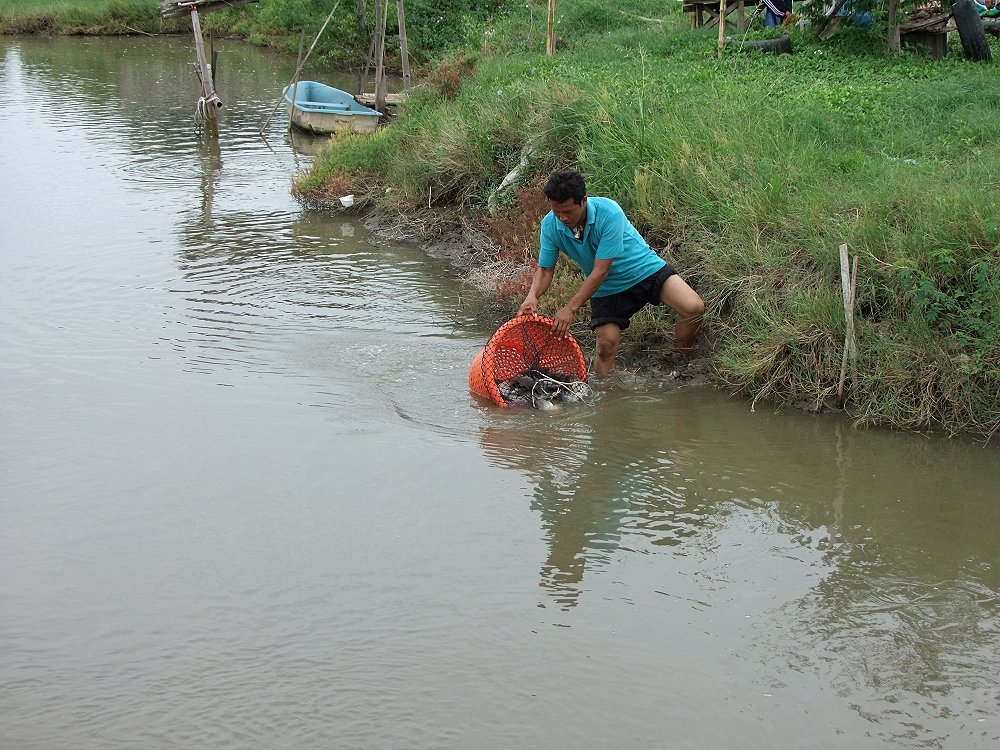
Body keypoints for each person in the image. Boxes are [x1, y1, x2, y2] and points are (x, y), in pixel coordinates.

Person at [517, 170, 705, 377]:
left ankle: (686, 360)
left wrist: (570, 309)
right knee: (605, 347)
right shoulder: (550, 225)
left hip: (644, 269)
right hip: (607, 289)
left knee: (693, 307)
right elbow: (545, 269)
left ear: (583, 201)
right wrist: (532, 296)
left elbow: (601, 269)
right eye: (556, 211)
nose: (562, 218)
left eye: (568, 212)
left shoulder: (609, 212)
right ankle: (607, 399)